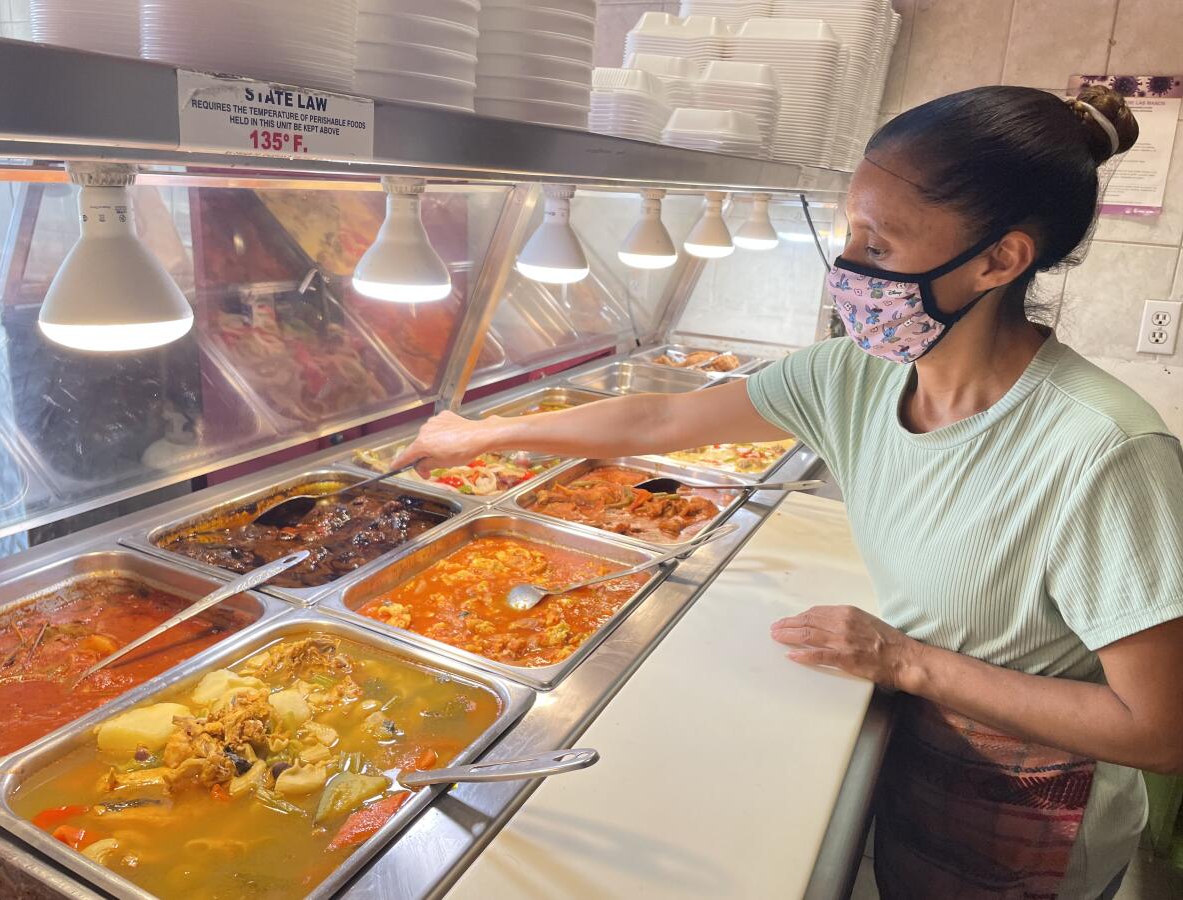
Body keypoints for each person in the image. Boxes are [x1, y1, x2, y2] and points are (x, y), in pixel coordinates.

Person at [395, 84, 1183, 899]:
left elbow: (1159, 730)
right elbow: (661, 416)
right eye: (851, 233)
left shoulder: (1103, 449)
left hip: (1033, 807)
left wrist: (907, 661)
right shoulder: (857, 377)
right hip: (919, 752)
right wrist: (481, 434)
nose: (850, 269)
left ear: (1000, 259)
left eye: (880, 246)